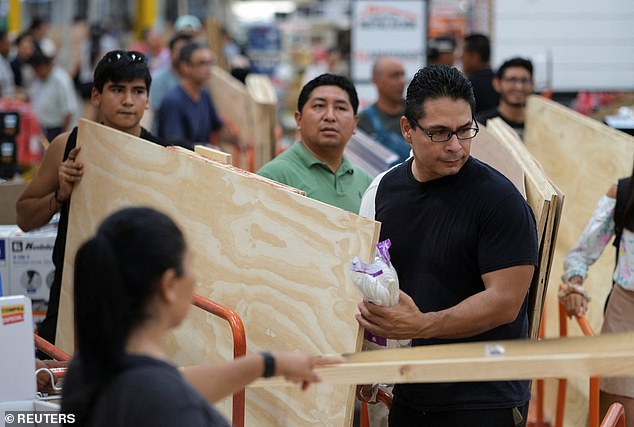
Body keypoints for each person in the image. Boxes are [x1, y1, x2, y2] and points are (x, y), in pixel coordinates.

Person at [356, 64, 538, 426]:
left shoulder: (501, 200)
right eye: (439, 133)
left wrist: (422, 325)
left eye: (464, 131)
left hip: (484, 398)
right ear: (408, 129)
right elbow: (375, 280)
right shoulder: (383, 192)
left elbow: (504, 303)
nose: (456, 146)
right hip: (410, 392)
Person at [61, 207, 338, 426]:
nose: (194, 278)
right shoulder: (172, 408)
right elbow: (170, 398)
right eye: (190, 265)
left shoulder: (87, 370)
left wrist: (266, 364)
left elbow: (172, 389)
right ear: (169, 286)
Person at [16, 49, 166, 347]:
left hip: (134, 306)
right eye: (117, 90)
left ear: (148, 100)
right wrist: (60, 194)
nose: (127, 100)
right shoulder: (68, 146)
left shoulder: (162, 158)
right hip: (71, 300)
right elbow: (23, 218)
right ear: (96, 96)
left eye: (137, 91)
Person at [560, 168, 634, 426]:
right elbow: (579, 255)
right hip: (626, 318)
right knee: (619, 414)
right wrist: (574, 285)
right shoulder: (624, 194)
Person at [257, 73, 372, 214]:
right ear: (298, 119)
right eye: (319, 106)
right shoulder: (273, 177)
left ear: (354, 123)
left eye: (340, 108)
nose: (330, 116)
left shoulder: (366, 182)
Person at [157, 42, 238, 149]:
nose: (208, 68)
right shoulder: (173, 101)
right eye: (202, 63)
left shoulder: (204, 95)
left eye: (210, 63)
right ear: (185, 66)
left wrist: (239, 142)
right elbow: (174, 145)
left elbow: (218, 128)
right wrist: (206, 149)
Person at [357, 56, 410, 165]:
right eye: (394, 76)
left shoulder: (418, 113)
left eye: (402, 75)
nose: (401, 81)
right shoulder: (363, 121)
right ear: (376, 81)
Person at [28, 38, 79, 142]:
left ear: (45, 65)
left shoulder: (61, 80)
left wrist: (62, 138)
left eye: (37, 69)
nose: (35, 72)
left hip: (55, 130)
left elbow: (69, 111)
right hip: (40, 128)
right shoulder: (39, 80)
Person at [476, 57, 534, 139]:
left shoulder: (541, 126)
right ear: (497, 84)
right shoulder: (482, 125)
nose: (519, 87)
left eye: (524, 81)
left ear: (532, 84)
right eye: (512, 80)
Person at [149, 33, 192, 132]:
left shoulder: (194, 81)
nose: (183, 55)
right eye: (180, 50)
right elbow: (157, 110)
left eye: (187, 51)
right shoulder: (158, 79)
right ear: (171, 53)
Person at [461, 33, 499, 115]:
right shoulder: (500, 82)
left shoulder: (467, 85)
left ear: (475, 56)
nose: (461, 58)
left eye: (463, 53)